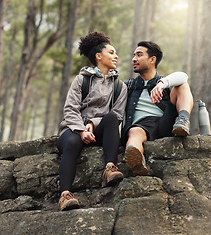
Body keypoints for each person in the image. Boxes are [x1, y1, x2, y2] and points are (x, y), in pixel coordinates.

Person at [57, 31, 127, 211]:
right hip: (72, 130)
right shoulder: (82, 80)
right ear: (98, 56)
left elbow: (118, 114)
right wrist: (81, 130)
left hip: (99, 132)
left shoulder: (120, 86)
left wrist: (93, 123)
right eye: (111, 52)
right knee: (72, 142)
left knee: (111, 118)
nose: (116, 56)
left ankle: (110, 168)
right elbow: (70, 109)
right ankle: (65, 195)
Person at [123, 41, 193, 175]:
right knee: (134, 132)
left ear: (152, 60)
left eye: (139, 55)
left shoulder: (165, 82)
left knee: (182, 85)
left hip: (165, 123)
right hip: (141, 126)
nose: (134, 59)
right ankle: (136, 162)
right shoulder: (128, 86)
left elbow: (183, 76)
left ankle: (183, 120)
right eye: (134, 56)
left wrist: (162, 84)